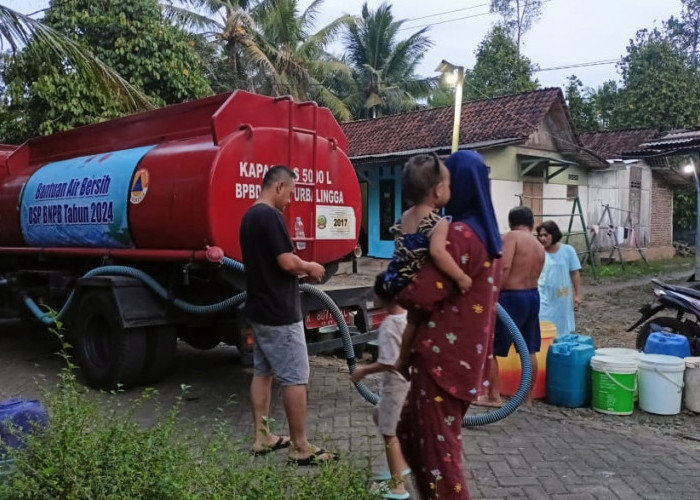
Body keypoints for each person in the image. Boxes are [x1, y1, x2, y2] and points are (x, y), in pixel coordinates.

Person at [394, 150, 503, 500]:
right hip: (463, 358)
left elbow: (421, 295)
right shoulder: (486, 235)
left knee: (441, 457)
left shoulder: (459, 234)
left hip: (442, 360)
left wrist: (394, 285)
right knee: (411, 431)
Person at [240, 165, 337, 466]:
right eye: (291, 192)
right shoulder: (270, 216)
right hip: (279, 313)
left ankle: (262, 436)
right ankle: (300, 446)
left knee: (263, 372)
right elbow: (286, 262)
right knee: (296, 377)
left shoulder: (249, 216)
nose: (291, 200)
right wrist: (310, 266)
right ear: (279, 186)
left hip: (259, 308)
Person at [350, 272, 411, 500]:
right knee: (379, 413)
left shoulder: (389, 326)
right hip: (411, 383)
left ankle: (398, 487)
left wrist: (362, 371)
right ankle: (402, 464)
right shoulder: (410, 319)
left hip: (395, 386)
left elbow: (388, 362)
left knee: (389, 434)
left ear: (381, 297)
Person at [477, 206, 545, 407]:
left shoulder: (511, 237)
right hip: (532, 296)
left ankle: (493, 396)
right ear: (532, 224)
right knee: (529, 349)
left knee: (491, 348)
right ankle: (527, 398)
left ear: (511, 221)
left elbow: (504, 267)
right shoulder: (538, 244)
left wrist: (494, 293)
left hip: (511, 297)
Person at [536, 220, 583, 337]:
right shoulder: (538, 251)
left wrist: (578, 295)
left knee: (562, 325)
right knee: (543, 323)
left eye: (546, 235)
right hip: (543, 294)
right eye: (540, 235)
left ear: (554, 234)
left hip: (562, 295)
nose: (542, 238)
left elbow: (574, 273)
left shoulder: (568, 250)